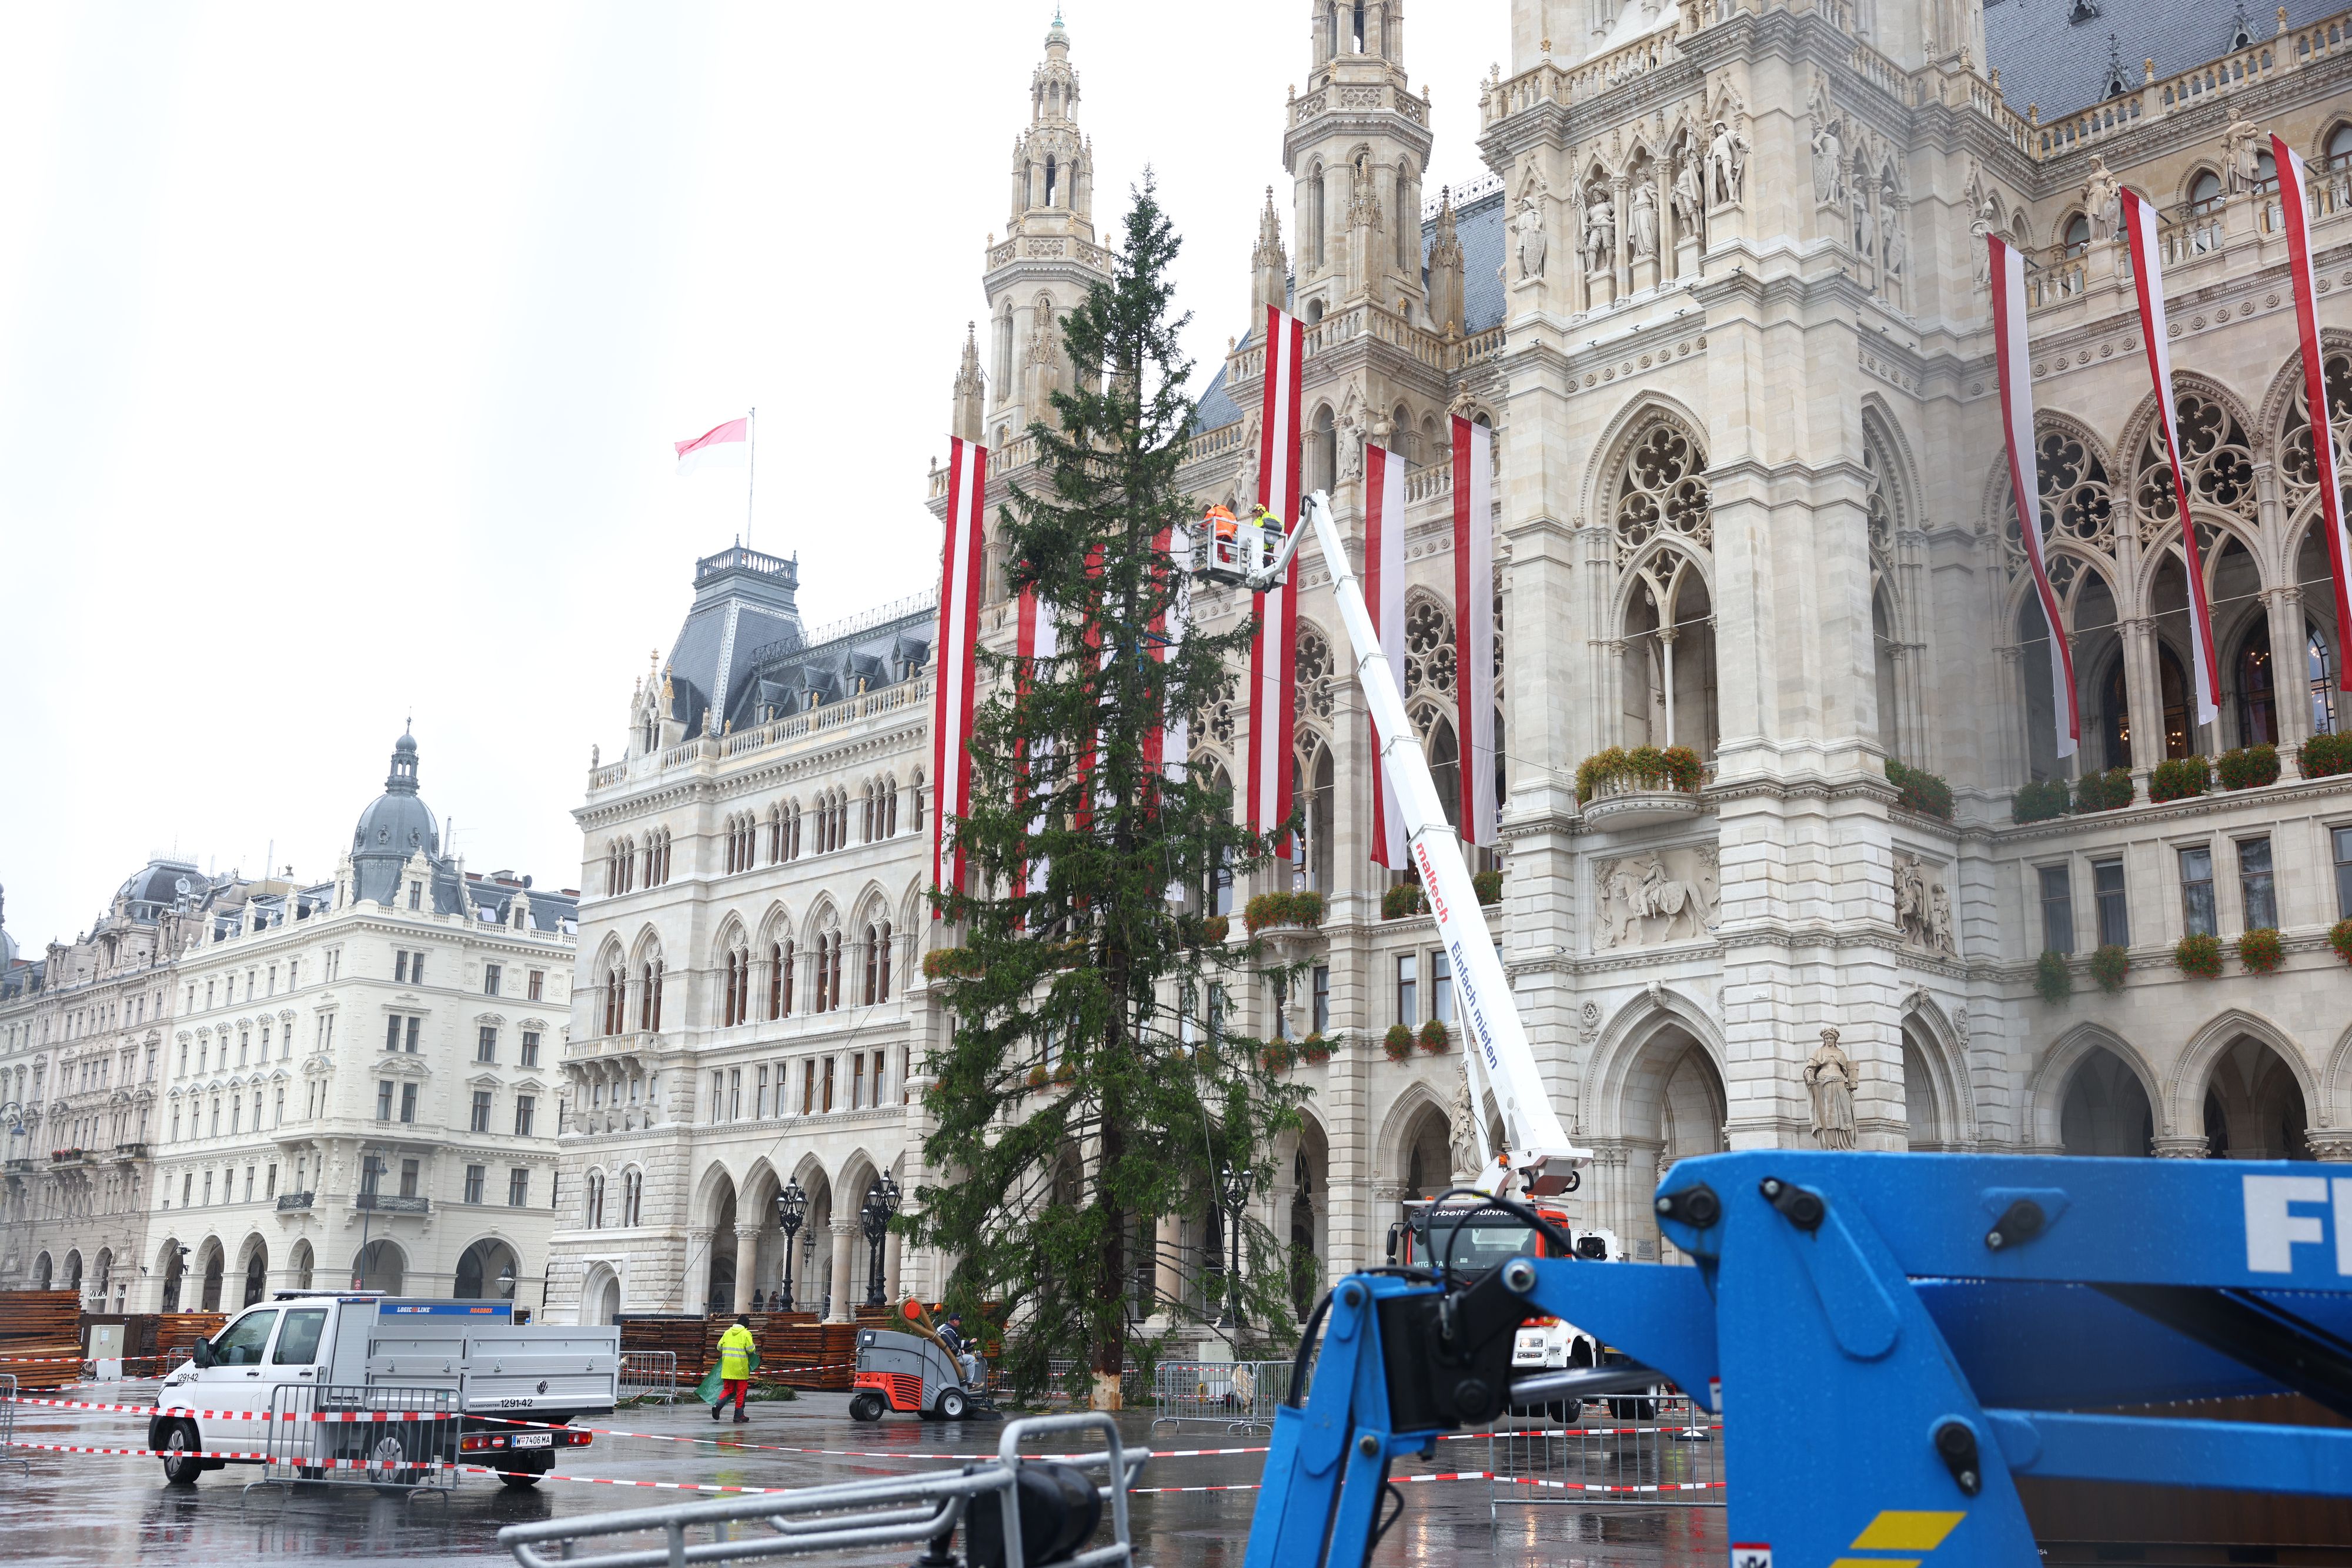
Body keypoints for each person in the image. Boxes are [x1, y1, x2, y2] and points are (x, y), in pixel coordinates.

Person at [714, 1314, 757, 1423]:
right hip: (741, 1368)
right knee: (741, 1392)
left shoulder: (727, 1332)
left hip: (728, 1368)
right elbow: (751, 1350)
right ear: (746, 1326)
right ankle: (738, 1415)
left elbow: (719, 1347)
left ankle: (717, 1406)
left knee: (728, 1390)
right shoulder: (746, 1334)